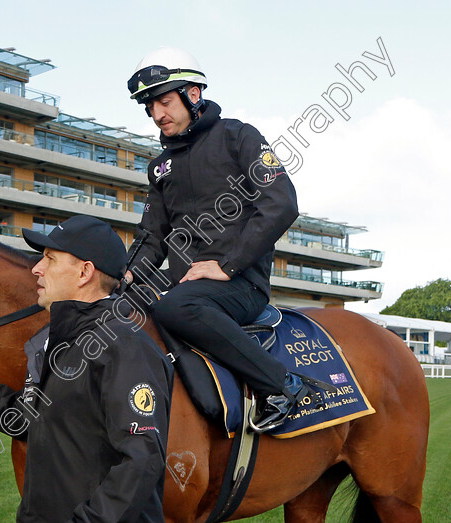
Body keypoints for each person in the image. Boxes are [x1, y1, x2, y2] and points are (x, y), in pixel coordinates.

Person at [0, 215, 173, 522]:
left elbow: (141, 461)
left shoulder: (127, 348)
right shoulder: (51, 343)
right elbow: (26, 421)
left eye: (49, 258)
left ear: (84, 272)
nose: (36, 268)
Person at [124, 47, 314, 432]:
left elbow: (281, 203)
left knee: (174, 307)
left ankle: (280, 386)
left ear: (193, 95)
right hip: (188, 289)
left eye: (164, 101)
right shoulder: (159, 167)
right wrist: (123, 276)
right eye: (150, 106)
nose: (157, 114)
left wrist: (228, 265)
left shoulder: (238, 137)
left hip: (240, 284)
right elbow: (152, 237)